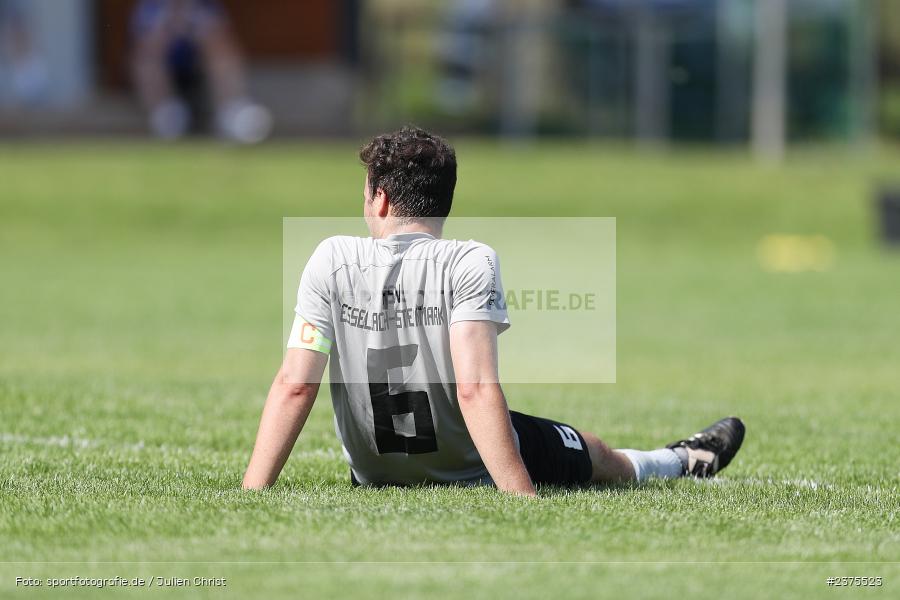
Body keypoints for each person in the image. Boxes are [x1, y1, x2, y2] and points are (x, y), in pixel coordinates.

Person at [242, 127, 745, 495]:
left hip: (374, 473)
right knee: (594, 453)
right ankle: (678, 461)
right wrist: (520, 498)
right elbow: (475, 388)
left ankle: (679, 458)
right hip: (464, 463)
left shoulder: (329, 256)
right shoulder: (469, 260)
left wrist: (252, 493)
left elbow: (296, 382)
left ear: (381, 198)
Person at [130, 0, 271, 142]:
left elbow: (218, 35)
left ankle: (232, 111)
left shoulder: (206, 6)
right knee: (147, 54)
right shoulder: (150, 6)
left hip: (197, 64)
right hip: (165, 65)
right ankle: (165, 116)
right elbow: (143, 42)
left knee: (219, 45)